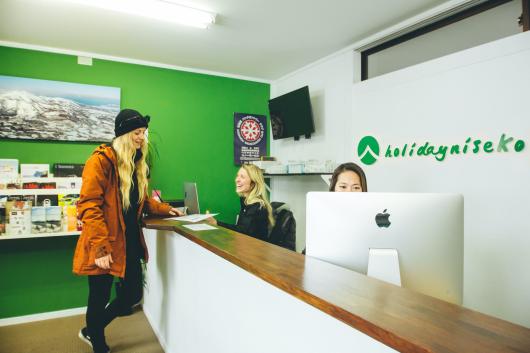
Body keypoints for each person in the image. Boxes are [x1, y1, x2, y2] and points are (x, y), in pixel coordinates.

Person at [72, 109, 183, 353]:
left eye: (143, 132)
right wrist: (101, 247)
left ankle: (92, 328)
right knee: (99, 297)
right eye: (137, 132)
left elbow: (141, 201)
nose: (142, 137)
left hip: (129, 241)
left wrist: (166, 209)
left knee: (131, 294)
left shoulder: (136, 164)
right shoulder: (100, 161)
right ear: (123, 135)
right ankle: (98, 343)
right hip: (105, 242)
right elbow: (89, 205)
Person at [302, 162, 368, 254]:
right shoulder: (323, 217)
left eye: (356, 187)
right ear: (333, 189)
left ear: (363, 190)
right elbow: (307, 253)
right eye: (343, 186)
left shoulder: (369, 219)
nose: (349, 192)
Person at [206, 164, 274, 240]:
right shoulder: (245, 201)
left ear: (253, 183)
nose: (237, 180)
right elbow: (241, 230)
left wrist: (216, 223)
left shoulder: (257, 206)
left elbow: (242, 232)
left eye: (242, 177)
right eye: (237, 176)